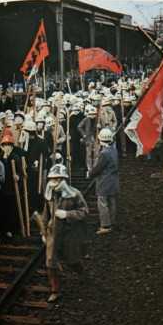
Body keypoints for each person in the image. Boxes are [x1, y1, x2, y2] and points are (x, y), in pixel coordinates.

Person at [41, 164, 89, 302]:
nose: (54, 182)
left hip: (69, 233)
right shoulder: (49, 195)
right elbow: (45, 215)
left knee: (72, 260)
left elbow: (84, 211)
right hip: (53, 233)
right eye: (52, 179)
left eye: (57, 179)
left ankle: (81, 273)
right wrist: (43, 232)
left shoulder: (74, 194)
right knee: (50, 262)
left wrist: (67, 214)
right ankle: (55, 290)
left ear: (64, 179)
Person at [89, 128, 119, 235]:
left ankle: (106, 225)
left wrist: (90, 173)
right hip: (113, 181)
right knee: (112, 202)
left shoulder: (104, 153)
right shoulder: (114, 150)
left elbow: (98, 168)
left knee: (103, 204)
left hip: (104, 182)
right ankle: (112, 222)